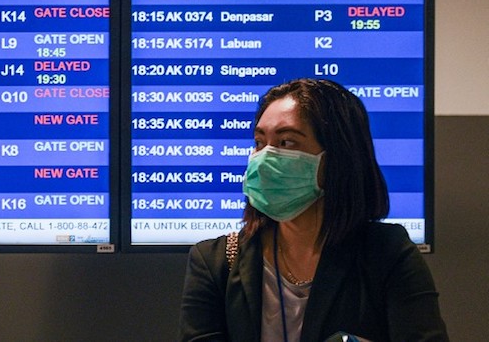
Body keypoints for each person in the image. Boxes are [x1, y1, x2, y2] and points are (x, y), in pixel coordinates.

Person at [179, 78, 448, 341]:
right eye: (259, 143)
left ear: (337, 159)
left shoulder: (387, 253)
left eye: (286, 142)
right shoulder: (214, 262)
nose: (264, 159)